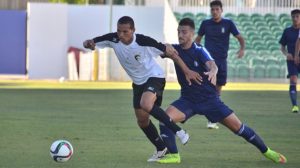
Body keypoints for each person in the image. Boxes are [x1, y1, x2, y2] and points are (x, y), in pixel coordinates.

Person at [157, 18, 287, 164]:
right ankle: (174, 155)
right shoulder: (174, 50)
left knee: (239, 128)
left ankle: (268, 152)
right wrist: (162, 46)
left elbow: (212, 64)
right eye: (178, 31)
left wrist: (213, 71)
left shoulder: (199, 50)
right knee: (165, 119)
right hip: (188, 100)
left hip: (210, 101)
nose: (180, 35)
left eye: (184, 32)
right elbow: (159, 49)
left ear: (192, 34)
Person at [83, 16, 202, 162]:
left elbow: (173, 54)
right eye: (119, 31)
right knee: (142, 121)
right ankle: (161, 149)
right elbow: (93, 42)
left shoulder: (144, 41)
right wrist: (88, 43)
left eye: (125, 32)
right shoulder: (113, 39)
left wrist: (187, 71)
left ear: (133, 30)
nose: (121, 35)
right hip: (138, 83)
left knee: (145, 104)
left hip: (155, 77)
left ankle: (180, 132)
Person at [195, 0, 245, 129]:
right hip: (208, 62)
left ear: (221, 10)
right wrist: (194, 53)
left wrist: (242, 49)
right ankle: (212, 119)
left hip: (222, 61)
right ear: (210, 11)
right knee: (211, 89)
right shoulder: (205, 24)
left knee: (217, 91)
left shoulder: (228, 23)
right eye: (213, 9)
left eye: (217, 9)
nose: (215, 12)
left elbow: (240, 37)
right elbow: (198, 40)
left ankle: (213, 117)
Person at [279, 9, 300, 113]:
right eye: (293, 17)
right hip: (292, 60)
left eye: (297, 16)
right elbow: (282, 46)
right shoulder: (287, 31)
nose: (295, 19)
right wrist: (286, 54)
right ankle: (295, 106)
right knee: (293, 80)